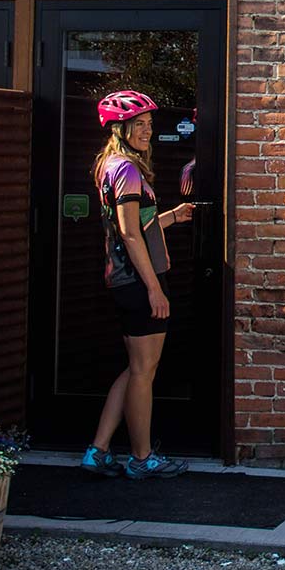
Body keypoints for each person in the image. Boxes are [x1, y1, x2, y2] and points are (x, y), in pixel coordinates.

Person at [80, 89, 195, 480]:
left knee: (134, 369)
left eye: (149, 124)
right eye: (139, 124)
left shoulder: (110, 166)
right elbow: (130, 236)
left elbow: (136, 228)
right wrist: (154, 288)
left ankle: (97, 450)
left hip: (123, 278)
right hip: (136, 279)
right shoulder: (127, 169)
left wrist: (173, 217)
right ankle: (142, 458)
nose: (147, 130)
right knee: (145, 371)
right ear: (119, 127)